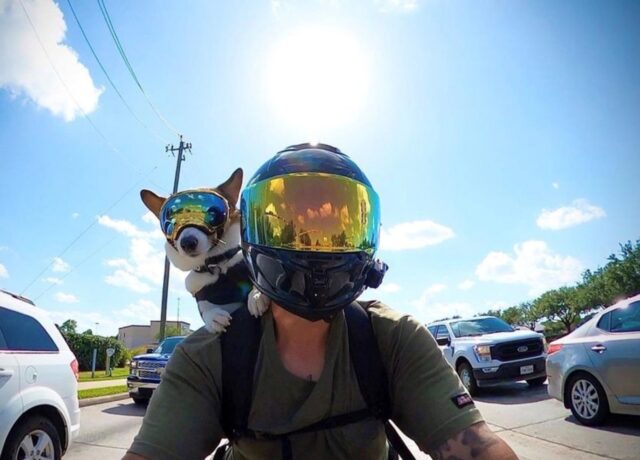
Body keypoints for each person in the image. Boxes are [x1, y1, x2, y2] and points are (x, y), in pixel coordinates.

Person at [123, 143, 518, 460]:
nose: (316, 245)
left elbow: (477, 446)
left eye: (334, 227)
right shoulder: (209, 358)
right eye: (296, 228)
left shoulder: (392, 339)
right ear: (253, 233)